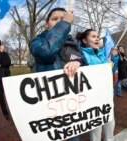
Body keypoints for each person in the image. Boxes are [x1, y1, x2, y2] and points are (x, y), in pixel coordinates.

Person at [30, 7, 81, 141]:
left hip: (72, 106)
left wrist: (78, 63)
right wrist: (64, 24)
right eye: (55, 19)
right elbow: (46, 51)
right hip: (51, 107)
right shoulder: (37, 42)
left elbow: (83, 61)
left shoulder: (73, 43)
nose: (60, 22)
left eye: (62, 19)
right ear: (47, 25)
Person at [77, 29, 115, 141]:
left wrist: (111, 65)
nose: (97, 38)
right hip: (93, 98)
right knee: (96, 129)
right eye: (93, 36)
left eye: (97, 36)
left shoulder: (102, 54)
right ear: (84, 40)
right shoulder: (81, 55)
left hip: (107, 95)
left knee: (110, 124)